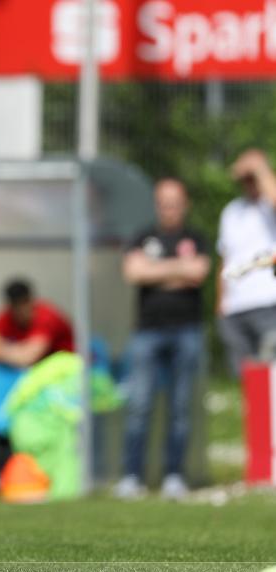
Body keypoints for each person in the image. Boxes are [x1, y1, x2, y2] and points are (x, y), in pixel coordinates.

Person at [114, 179, 210, 500]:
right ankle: (131, 477)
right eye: (163, 202)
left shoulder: (196, 238)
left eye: (174, 202)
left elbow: (197, 273)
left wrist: (156, 270)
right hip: (147, 331)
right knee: (139, 404)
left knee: (180, 407)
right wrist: (177, 270)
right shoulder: (143, 236)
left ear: (185, 204)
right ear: (157, 204)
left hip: (187, 330)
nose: (169, 208)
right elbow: (133, 273)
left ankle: (174, 476)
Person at [217, 149, 276, 375]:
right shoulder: (231, 211)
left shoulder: (268, 206)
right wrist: (221, 305)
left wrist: (259, 167)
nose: (249, 182)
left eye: (253, 176)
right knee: (249, 380)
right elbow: (225, 259)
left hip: (269, 304)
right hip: (236, 309)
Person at [0, 279, 74, 368]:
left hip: (67, 365)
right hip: (39, 367)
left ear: (31, 301)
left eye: (23, 303)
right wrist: (18, 352)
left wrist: (2, 351)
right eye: (15, 306)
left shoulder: (47, 317)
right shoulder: (7, 316)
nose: (20, 311)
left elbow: (29, 358)